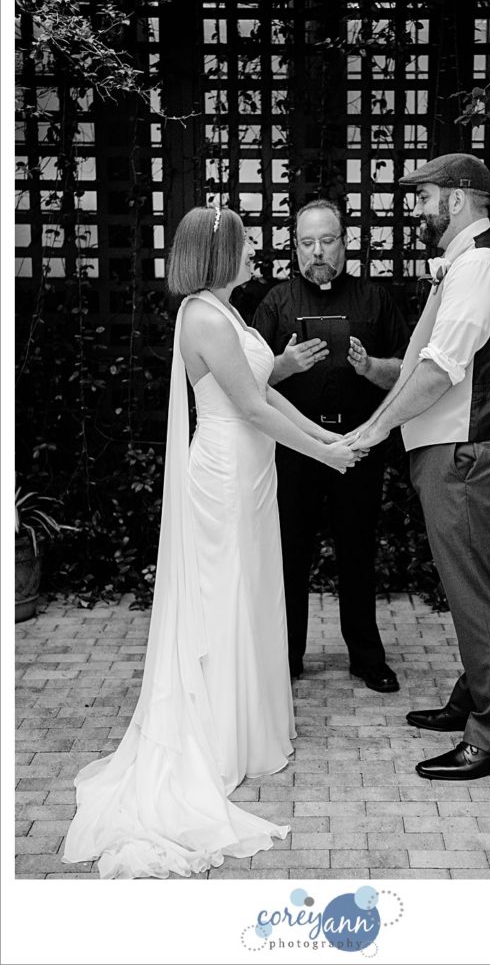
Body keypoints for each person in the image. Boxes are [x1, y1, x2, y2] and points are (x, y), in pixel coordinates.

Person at [62, 206, 359, 879]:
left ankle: (249, 728)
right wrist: (324, 452)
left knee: (252, 596)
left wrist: (325, 438)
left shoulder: (229, 311)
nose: (256, 253)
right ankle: (220, 738)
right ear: (222, 254)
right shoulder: (201, 316)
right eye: (248, 245)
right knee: (225, 601)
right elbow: (248, 408)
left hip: (251, 471)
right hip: (223, 475)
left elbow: (262, 393)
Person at [350, 153, 490, 780]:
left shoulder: (478, 266)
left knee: (476, 592)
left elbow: (436, 372)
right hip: (455, 447)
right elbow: (420, 366)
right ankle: (474, 698)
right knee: (467, 585)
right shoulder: (464, 264)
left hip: (466, 451)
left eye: (424, 197)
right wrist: (378, 379)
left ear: (457, 199)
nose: (417, 210)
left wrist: (375, 429)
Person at [252, 199, 410, 692]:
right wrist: (286, 365)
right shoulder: (276, 302)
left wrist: (369, 367)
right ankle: (286, 657)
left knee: (358, 551)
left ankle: (366, 657)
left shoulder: (375, 299)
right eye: (307, 242)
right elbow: (246, 381)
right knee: (288, 553)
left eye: (326, 240)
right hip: (294, 449)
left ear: (345, 241)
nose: (317, 251)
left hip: (357, 446)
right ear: (295, 246)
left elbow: (405, 372)